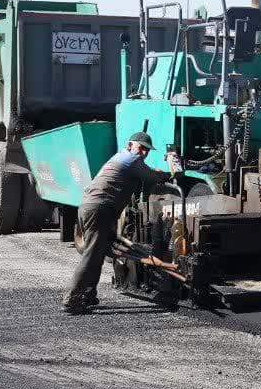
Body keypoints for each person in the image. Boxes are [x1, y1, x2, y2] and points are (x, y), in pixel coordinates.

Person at [63, 132, 179, 314]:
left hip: (92, 207)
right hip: (99, 209)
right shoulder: (131, 159)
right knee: (92, 255)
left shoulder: (122, 158)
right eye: (141, 148)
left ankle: (87, 294)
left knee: (99, 252)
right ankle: (72, 299)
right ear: (130, 144)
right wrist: (168, 173)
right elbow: (153, 178)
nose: (143, 153)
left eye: (147, 150)